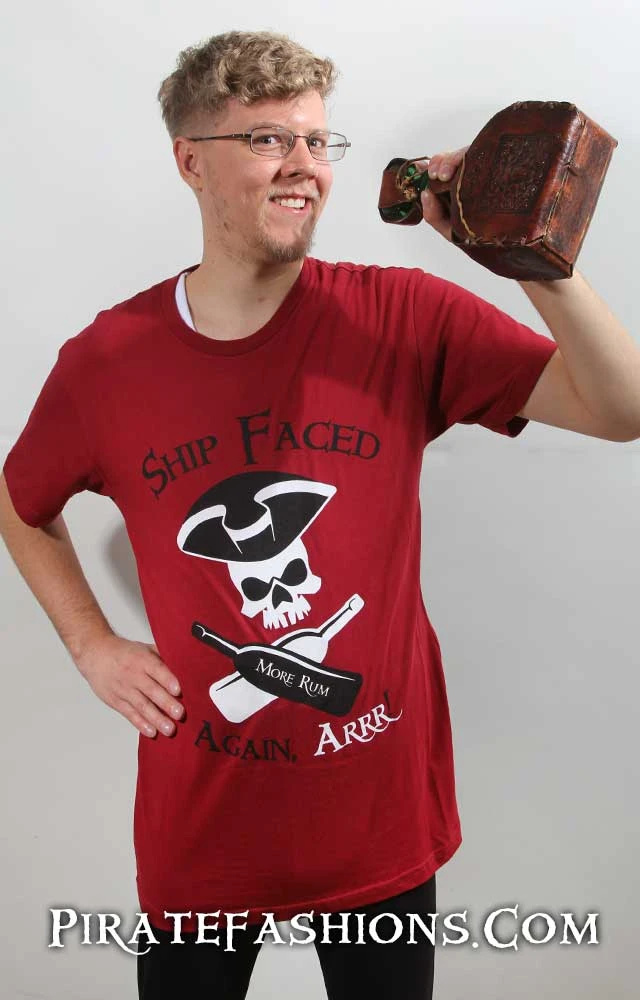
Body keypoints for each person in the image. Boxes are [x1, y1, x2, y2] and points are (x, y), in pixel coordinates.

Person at [2, 29, 639, 1000]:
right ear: (190, 162)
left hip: (376, 822)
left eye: (317, 140)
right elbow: (20, 500)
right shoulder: (109, 362)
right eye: (267, 139)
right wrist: (92, 644)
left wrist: (527, 258)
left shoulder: (402, 318)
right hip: (205, 832)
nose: (303, 164)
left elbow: (620, 409)